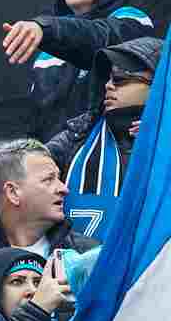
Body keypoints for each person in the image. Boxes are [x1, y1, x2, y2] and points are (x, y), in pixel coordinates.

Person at [9, 0, 155, 141]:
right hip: (56, 167)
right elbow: (37, 136)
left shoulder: (132, 22)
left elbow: (99, 40)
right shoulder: (46, 56)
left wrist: (48, 29)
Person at [46, 38, 161, 240]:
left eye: (119, 78)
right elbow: (25, 167)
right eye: (107, 78)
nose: (108, 86)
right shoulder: (78, 136)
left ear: (159, 86)